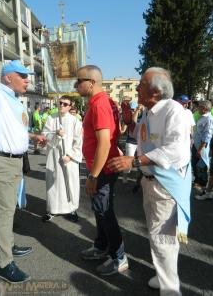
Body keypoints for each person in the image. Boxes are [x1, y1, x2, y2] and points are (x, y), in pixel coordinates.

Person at [108, 67, 192, 295]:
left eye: (141, 85)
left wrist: (134, 162)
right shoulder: (150, 110)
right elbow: (144, 140)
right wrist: (129, 121)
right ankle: (163, 275)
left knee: (163, 240)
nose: (136, 88)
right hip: (150, 181)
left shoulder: (173, 111)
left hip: (166, 185)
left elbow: (176, 151)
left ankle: (170, 290)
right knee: (158, 237)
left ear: (155, 91)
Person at [0, 60, 46, 283]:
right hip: (1, 162)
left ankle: (9, 246)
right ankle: (4, 264)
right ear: (7, 77)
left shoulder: (15, 100)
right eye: (22, 75)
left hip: (15, 162)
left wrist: (32, 137)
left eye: (27, 76)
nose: (27, 80)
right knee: (3, 213)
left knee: (9, 209)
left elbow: (14, 130)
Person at [74, 65, 128, 276]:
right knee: (99, 209)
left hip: (102, 169)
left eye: (79, 81)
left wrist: (93, 176)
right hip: (101, 167)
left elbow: (104, 143)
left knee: (105, 212)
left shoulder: (100, 104)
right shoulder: (101, 102)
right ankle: (101, 246)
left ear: (92, 82)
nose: (76, 85)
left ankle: (119, 257)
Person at [42, 96, 82, 222]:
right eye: (60, 103)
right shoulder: (51, 118)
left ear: (70, 106)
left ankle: (71, 209)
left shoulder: (75, 121)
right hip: (54, 156)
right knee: (53, 185)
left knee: (70, 183)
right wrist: (55, 134)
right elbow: (44, 135)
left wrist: (70, 156)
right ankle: (52, 210)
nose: (62, 106)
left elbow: (79, 141)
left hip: (68, 158)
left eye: (65, 104)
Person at [192, 100, 213, 192]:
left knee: (202, 166)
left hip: (201, 147)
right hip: (196, 145)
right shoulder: (202, 117)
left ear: (204, 109)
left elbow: (207, 137)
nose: (198, 108)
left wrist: (199, 150)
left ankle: (202, 184)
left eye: (200, 107)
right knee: (195, 164)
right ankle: (197, 181)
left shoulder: (209, 119)